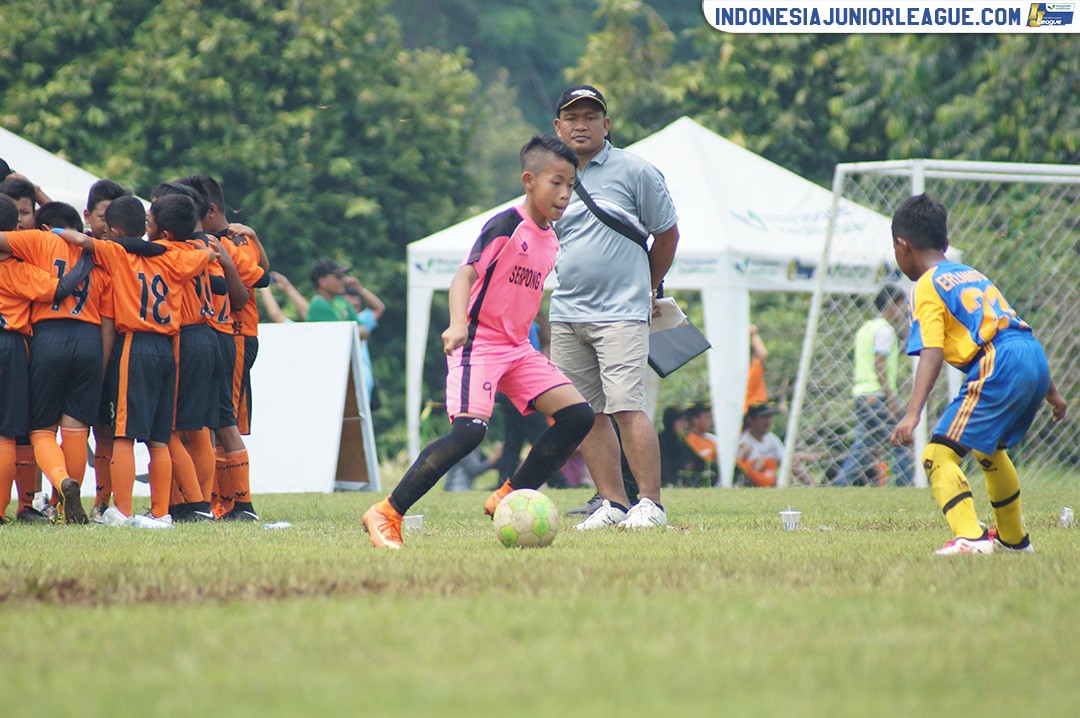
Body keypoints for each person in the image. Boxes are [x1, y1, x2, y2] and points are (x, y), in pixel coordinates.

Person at [361, 134, 595, 549]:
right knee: (469, 432)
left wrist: (542, 347)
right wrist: (457, 325)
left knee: (578, 417)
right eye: (556, 183)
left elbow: (527, 296)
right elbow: (464, 276)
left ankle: (508, 494)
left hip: (519, 349)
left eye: (571, 185)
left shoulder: (552, 239)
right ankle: (387, 512)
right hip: (480, 344)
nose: (564, 194)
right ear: (529, 180)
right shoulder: (505, 226)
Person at [888, 194, 1066, 555]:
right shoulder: (971, 273)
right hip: (1031, 355)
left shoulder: (925, 285)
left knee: (937, 455)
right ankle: (1014, 540)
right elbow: (1014, 331)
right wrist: (1054, 394)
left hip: (996, 362)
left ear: (901, 246)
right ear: (947, 243)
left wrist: (912, 413)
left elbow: (932, 351)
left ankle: (969, 538)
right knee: (989, 449)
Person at [549, 84, 679, 529]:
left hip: (621, 311)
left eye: (591, 116)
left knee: (626, 405)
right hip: (566, 312)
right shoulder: (551, 175)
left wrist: (650, 286)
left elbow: (667, 235)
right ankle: (613, 503)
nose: (581, 124)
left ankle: (651, 504)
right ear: (558, 127)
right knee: (584, 413)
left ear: (607, 125)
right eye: (572, 117)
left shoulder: (635, 171)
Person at [178, 175, 268, 521]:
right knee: (214, 421)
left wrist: (243, 246)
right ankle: (221, 502)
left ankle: (237, 503)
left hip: (234, 334)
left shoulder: (227, 244)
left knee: (223, 420)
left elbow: (261, 277)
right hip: (220, 337)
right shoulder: (212, 244)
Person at [0, 195, 94, 522]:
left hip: (48, 338)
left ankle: (46, 490)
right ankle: (56, 502)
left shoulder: (34, 246)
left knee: (37, 431)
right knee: (72, 429)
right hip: (86, 338)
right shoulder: (95, 252)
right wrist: (87, 253)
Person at [833, 286, 915, 487]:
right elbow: (879, 364)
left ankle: (839, 485)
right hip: (876, 396)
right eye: (901, 305)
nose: (904, 310)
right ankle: (906, 487)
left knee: (863, 448)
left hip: (861, 395)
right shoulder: (885, 330)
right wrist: (891, 400)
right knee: (900, 440)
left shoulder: (865, 328)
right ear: (892, 305)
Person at [306, 260, 385, 405]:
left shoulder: (341, 302)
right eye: (337, 277)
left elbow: (363, 331)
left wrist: (351, 329)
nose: (342, 281)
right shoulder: (319, 304)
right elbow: (341, 336)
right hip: (329, 373)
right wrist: (352, 329)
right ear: (323, 281)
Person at [657, 406, 694, 487]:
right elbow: (665, 464)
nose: (684, 424)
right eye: (681, 420)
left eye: (685, 420)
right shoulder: (662, 440)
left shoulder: (682, 440)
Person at [683, 403, 719, 486]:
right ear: (695, 419)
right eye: (707, 417)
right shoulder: (688, 440)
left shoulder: (711, 439)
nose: (710, 421)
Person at [744, 323, 769, 414]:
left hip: (758, 409)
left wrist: (754, 335)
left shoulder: (755, 366)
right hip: (743, 412)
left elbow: (763, 354)